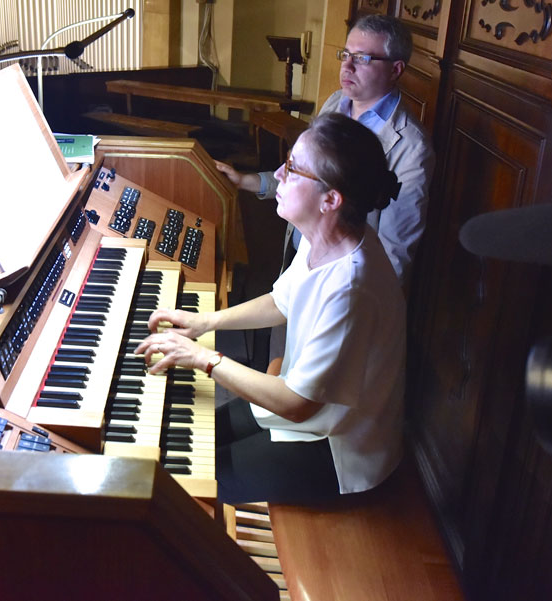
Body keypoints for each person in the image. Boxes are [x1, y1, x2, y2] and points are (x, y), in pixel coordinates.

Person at [136, 113, 407, 505]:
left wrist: (204, 359)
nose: (278, 174)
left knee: (194, 485)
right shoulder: (325, 236)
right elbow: (283, 300)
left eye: (294, 169)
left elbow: (297, 405)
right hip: (308, 405)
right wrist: (204, 322)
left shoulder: (352, 286)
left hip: (339, 446)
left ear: (331, 199)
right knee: (193, 432)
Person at [216, 13, 434, 291]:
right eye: (345, 54)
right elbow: (305, 173)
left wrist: (347, 309)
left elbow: (394, 254)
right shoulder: (336, 102)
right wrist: (244, 180)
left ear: (396, 70)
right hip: (299, 260)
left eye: (363, 59)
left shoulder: (412, 148)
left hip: (342, 286)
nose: (347, 66)